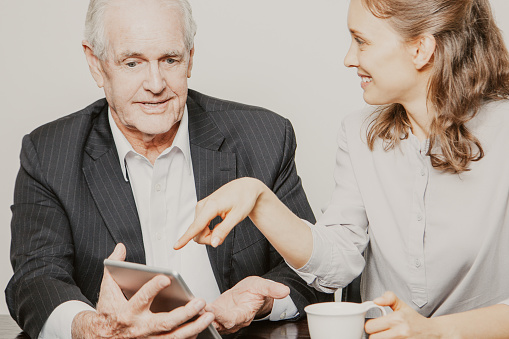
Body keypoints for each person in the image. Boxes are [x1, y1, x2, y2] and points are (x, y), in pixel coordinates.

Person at [176, 0, 509, 337]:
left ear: (421, 49)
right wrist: (258, 199)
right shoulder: (358, 132)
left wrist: (434, 332)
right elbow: (337, 264)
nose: (349, 58)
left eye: (362, 41)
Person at [5, 0, 330, 338]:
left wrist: (261, 301)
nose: (156, 83)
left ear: (190, 57)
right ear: (96, 64)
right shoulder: (49, 153)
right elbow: (36, 278)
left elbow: (313, 272)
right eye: (133, 63)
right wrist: (94, 329)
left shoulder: (264, 138)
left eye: (170, 60)